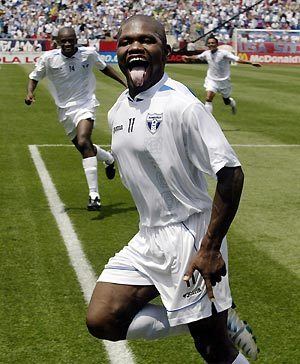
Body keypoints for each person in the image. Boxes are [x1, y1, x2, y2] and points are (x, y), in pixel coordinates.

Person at [86, 15, 258, 363]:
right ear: (117, 52)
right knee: (102, 319)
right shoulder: (119, 108)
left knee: (213, 350)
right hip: (148, 236)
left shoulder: (183, 105)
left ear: (165, 51)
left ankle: (213, 324)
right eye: (125, 42)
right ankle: (214, 319)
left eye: (146, 41)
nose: (135, 46)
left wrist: (209, 248)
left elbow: (232, 174)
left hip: (190, 234)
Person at [25, 26, 127, 211]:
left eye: (70, 40)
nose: (67, 44)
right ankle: (109, 159)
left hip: (85, 104)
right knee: (83, 148)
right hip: (64, 110)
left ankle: (94, 195)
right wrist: (30, 93)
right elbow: (34, 77)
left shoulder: (88, 54)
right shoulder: (48, 58)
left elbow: (105, 69)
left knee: (83, 140)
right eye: (63, 41)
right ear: (57, 41)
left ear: (76, 39)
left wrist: (124, 82)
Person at [182, 36, 261, 115]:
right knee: (208, 98)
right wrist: (188, 57)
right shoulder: (207, 53)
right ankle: (208, 119)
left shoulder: (224, 53)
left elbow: (237, 59)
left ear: (217, 44)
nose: (211, 44)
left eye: (213, 43)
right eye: (209, 43)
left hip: (224, 81)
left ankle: (232, 104)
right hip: (211, 79)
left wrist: (251, 63)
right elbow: (197, 57)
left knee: (226, 101)